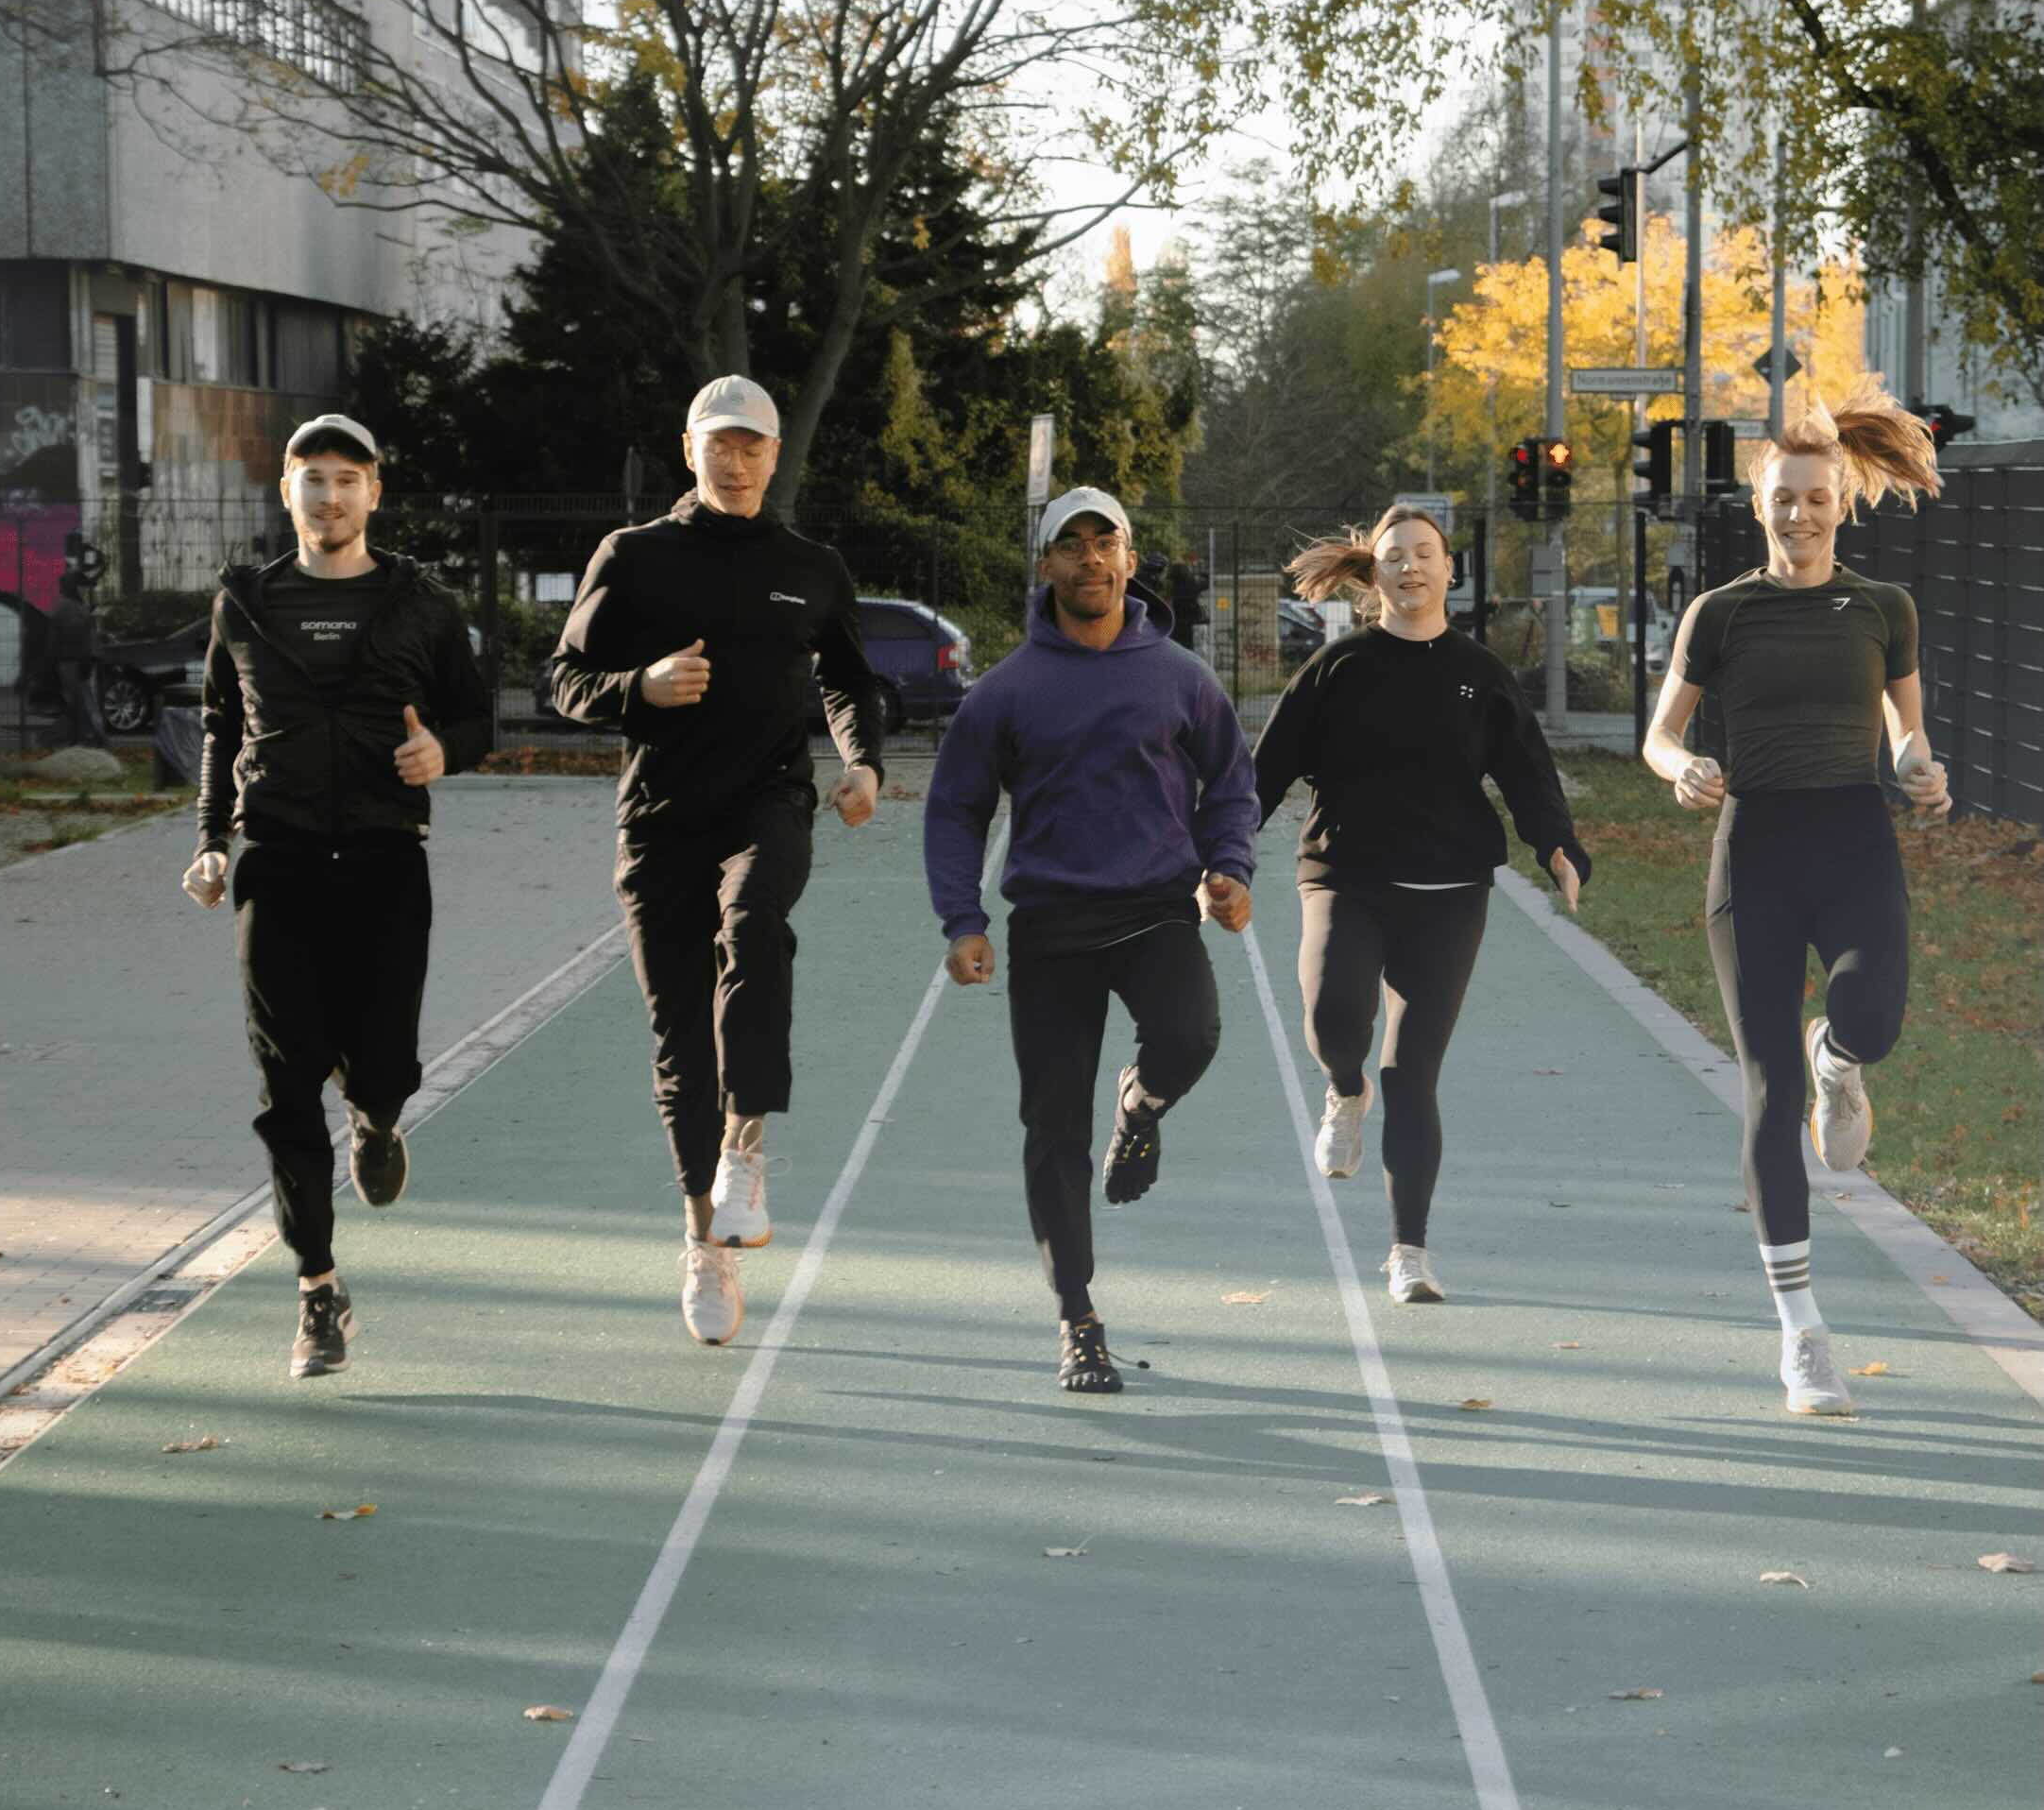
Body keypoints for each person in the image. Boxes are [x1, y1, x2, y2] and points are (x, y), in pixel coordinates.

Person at [549, 377, 884, 1350]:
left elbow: (848, 675)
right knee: (678, 1044)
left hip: (766, 800)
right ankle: (705, 1238)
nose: (736, 461)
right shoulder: (634, 554)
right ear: (688, 447)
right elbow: (563, 679)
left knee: (754, 924)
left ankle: (747, 1147)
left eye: (753, 445)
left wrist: (858, 760)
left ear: (774, 456)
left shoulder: (809, 564)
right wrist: (638, 686)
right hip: (659, 821)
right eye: (719, 444)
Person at [1644, 376, 1949, 1417]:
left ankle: (1842, 1060)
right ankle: (1801, 1332)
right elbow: (1660, 731)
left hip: (1854, 838)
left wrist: (1920, 764)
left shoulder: (1882, 608)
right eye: (1783, 497)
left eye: (1815, 497)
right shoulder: (1718, 612)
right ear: (1759, 502)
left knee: (1872, 1015)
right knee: (1766, 1092)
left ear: (1839, 502)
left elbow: (1905, 725)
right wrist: (1677, 767)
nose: (1799, 513)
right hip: (1757, 848)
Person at [924, 486, 1258, 1394]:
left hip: (1156, 910)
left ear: (1130, 558)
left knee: (1190, 1037)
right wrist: (963, 918)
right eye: (1067, 546)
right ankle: (1077, 1317)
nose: (1087, 559)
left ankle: (1140, 1107)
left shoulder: (1180, 675)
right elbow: (956, 808)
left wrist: (1230, 868)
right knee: (1052, 1128)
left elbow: (1231, 782)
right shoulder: (1006, 690)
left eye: (1102, 541)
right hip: (1052, 929)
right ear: (1045, 567)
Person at [182, 416, 492, 1380]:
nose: (328, 496)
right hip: (275, 864)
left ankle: (380, 1117)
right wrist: (209, 841)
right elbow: (218, 725)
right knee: (284, 1087)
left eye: (346, 479)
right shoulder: (244, 600)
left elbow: (476, 714)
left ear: (374, 492)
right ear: (287, 493)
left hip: (386, 859)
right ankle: (318, 1288)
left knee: (385, 1060)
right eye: (311, 479)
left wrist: (446, 749)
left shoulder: (423, 604)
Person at [1252, 504, 1590, 1307]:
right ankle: (1342, 1088)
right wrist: (1220, 853)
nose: (1410, 567)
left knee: (1412, 1073)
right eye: (1395, 555)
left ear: (1448, 571)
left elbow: (1525, 771)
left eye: (1425, 555)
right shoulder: (1339, 666)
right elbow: (1264, 770)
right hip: (1345, 875)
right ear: (1376, 573)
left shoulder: (1478, 673)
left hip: (1447, 889)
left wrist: (1558, 848)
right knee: (1335, 1016)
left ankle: (1408, 1250)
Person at [47, 571, 108, 746]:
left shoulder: (74, 605)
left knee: (84, 701)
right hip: (74, 662)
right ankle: (90, 738)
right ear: (73, 587)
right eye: (81, 586)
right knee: (82, 702)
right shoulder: (67, 607)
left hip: (78, 661)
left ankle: (87, 737)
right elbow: (75, 634)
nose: (84, 590)